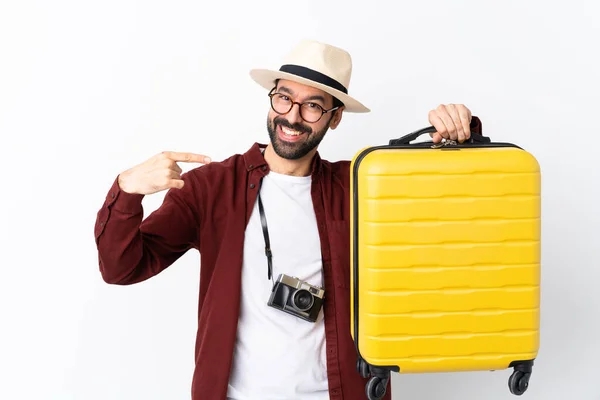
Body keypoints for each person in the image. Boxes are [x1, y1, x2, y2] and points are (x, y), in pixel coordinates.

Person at [94, 40, 482, 400]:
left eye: (313, 105)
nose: (292, 117)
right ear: (272, 100)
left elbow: (451, 214)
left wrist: (458, 139)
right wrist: (128, 191)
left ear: (334, 119)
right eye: (284, 98)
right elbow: (122, 267)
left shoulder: (362, 186)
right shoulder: (211, 187)